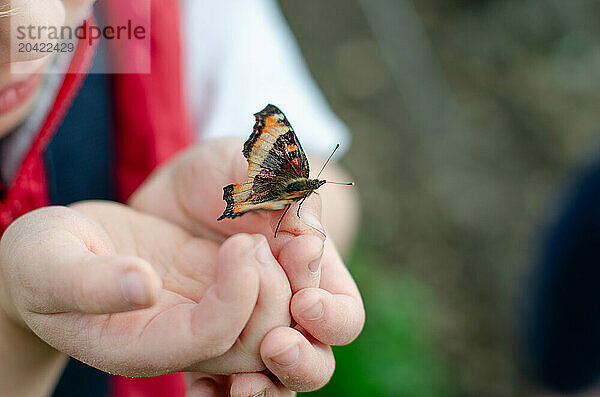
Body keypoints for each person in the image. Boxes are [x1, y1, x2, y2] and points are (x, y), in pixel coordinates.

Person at [0, 1, 364, 396]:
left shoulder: (192, 13)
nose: (34, 31)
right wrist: (16, 323)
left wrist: (300, 252)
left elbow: (330, 181)